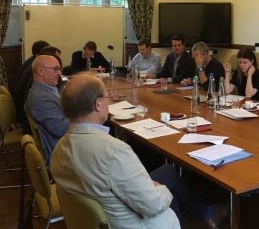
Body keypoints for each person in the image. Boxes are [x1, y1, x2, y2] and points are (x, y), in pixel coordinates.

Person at [51, 74, 225, 229]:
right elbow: (153, 205)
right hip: (132, 223)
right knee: (167, 191)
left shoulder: (60, 148)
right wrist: (160, 189)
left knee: (168, 171)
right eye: (107, 97)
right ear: (98, 104)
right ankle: (204, 214)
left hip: (94, 217)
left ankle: (203, 212)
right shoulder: (114, 151)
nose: (110, 100)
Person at [25, 55, 69, 163]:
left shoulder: (45, 90)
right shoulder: (40, 98)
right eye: (55, 69)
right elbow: (60, 129)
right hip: (63, 154)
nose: (59, 73)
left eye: (59, 69)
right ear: (41, 71)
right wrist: (82, 111)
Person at [12, 40, 50, 129]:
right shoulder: (35, 69)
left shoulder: (31, 61)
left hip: (19, 108)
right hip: (23, 115)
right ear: (38, 55)